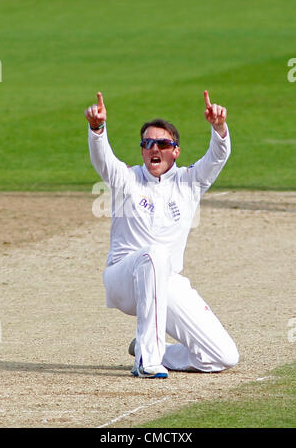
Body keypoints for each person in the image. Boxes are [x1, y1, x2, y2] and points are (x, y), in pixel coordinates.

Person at [85, 91, 239, 379]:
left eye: (163, 143)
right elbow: (103, 160)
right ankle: (147, 360)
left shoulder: (189, 182)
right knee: (154, 254)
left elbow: (217, 157)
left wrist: (219, 128)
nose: (154, 148)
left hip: (166, 281)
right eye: (147, 143)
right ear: (142, 149)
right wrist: (97, 130)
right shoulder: (127, 178)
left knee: (224, 356)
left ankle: (161, 352)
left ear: (176, 151)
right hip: (124, 278)